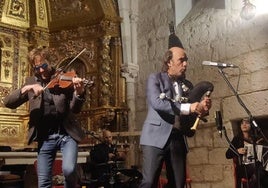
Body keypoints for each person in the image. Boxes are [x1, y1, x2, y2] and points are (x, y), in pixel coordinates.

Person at [3, 46, 86, 188]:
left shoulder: (64, 78)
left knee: (69, 170)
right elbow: (8, 102)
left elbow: (75, 109)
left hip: (67, 134)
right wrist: (27, 89)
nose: (41, 70)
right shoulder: (31, 82)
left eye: (44, 66)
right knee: (44, 182)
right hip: (45, 137)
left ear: (50, 62)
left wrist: (78, 93)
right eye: (37, 68)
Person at [139, 30, 212, 188]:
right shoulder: (155, 79)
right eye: (181, 60)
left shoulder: (188, 86)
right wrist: (190, 107)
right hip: (154, 138)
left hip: (177, 139)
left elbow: (193, 112)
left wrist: (202, 108)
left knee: (178, 184)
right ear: (169, 62)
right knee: (149, 182)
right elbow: (158, 103)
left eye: (186, 60)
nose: (185, 64)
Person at [226, 118, 268, 188]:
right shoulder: (237, 139)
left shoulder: (256, 138)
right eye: (242, 123)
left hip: (258, 166)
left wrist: (258, 145)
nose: (244, 124)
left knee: (264, 168)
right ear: (240, 126)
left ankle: (252, 183)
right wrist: (237, 151)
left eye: (247, 123)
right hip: (243, 167)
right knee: (258, 166)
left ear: (251, 125)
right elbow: (227, 155)